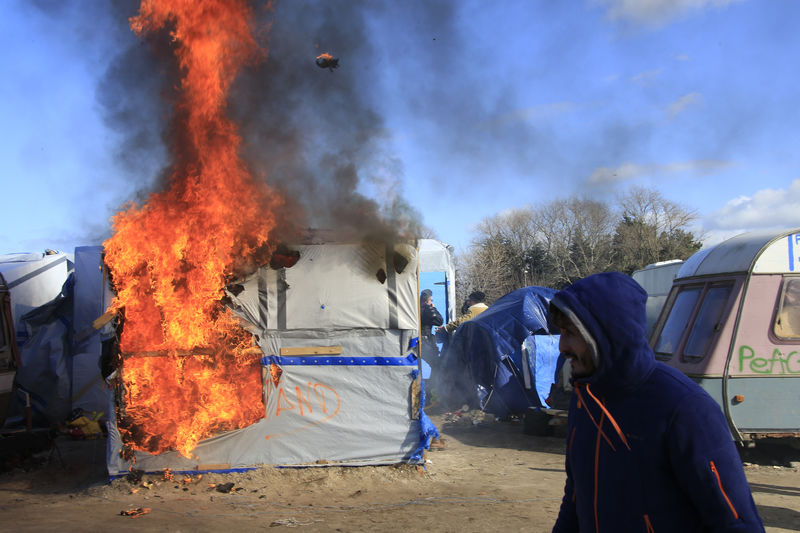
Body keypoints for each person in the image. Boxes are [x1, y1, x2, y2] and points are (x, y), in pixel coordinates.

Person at [550, 272, 763, 533]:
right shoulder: (586, 398)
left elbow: (734, 520)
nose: (562, 346)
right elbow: (576, 496)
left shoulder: (684, 407)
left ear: (607, 334)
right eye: (561, 332)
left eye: (571, 333)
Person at [419, 289, 444, 367]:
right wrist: (434, 309)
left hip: (415, 340)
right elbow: (439, 321)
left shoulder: (415, 308)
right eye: (431, 300)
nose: (431, 302)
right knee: (436, 363)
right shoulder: (428, 309)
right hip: (425, 342)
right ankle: (434, 379)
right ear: (427, 300)